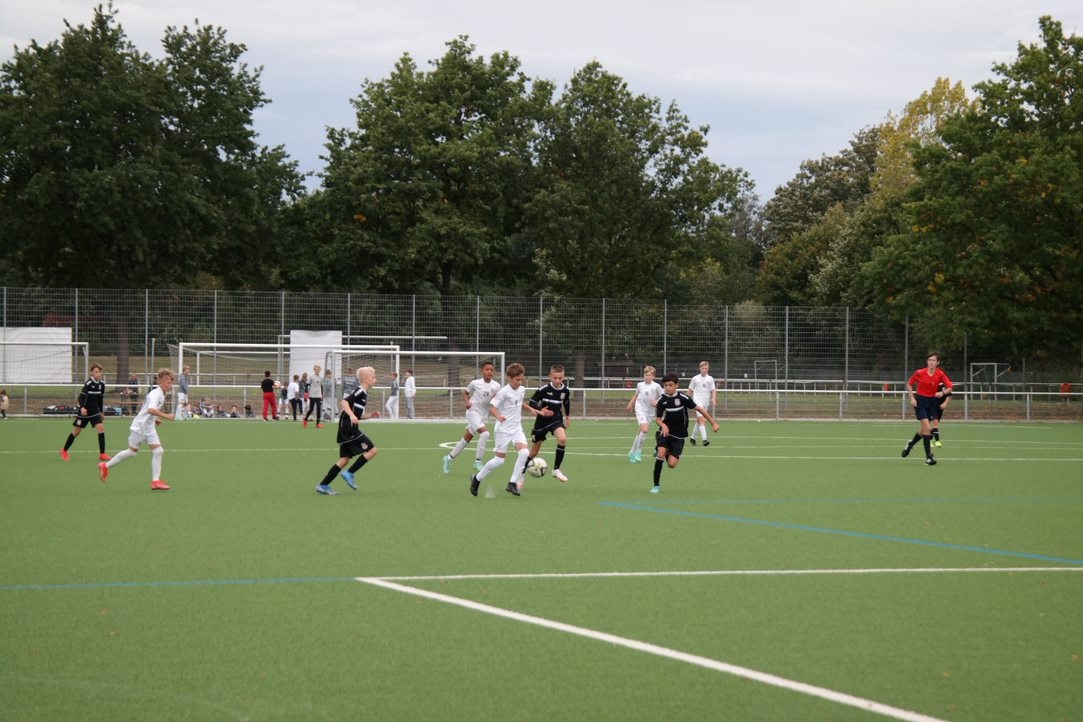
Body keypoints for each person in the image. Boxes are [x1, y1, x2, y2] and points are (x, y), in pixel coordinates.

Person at [469, 362, 546, 497]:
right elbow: (492, 407)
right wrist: (499, 417)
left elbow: (519, 402)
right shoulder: (503, 392)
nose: (520, 382)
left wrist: (533, 409)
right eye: (517, 379)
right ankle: (477, 478)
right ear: (509, 378)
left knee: (524, 453)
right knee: (499, 461)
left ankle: (512, 483)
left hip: (517, 428)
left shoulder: (521, 389)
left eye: (521, 379)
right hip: (503, 430)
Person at [98, 368, 176, 491]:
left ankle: (155, 481)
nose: (170, 385)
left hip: (148, 427)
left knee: (158, 451)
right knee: (131, 452)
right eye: (168, 382)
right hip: (140, 427)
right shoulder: (156, 394)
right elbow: (150, 409)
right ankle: (105, 466)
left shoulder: (161, 393)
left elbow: (148, 410)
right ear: (160, 382)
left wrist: (155, 419)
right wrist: (166, 416)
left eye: (171, 382)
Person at [315, 366, 381, 495]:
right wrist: (351, 416)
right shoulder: (360, 390)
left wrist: (370, 415)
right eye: (373, 377)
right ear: (365, 379)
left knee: (344, 460)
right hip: (348, 428)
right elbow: (344, 402)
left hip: (346, 428)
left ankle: (323, 485)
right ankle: (349, 473)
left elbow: (357, 415)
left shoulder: (364, 393)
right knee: (372, 450)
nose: (375, 379)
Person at [652, 371, 719, 493]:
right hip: (665, 433)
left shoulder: (683, 398)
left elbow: (700, 409)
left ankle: (665, 450)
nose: (668, 387)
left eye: (670, 385)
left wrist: (713, 423)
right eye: (665, 385)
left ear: (676, 385)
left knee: (672, 464)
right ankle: (656, 485)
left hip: (679, 435)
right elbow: (657, 419)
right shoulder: (662, 400)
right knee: (660, 453)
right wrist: (663, 425)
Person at [443, 361, 501, 474]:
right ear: (482, 371)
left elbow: (497, 400)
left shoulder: (496, 386)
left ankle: (448, 458)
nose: (489, 372)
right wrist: (467, 402)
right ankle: (478, 461)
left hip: (483, 415)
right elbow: (466, 393)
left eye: (491, 370)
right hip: (472, 412)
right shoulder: (475, 383)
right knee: (485, 434)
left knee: (467, 438)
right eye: (487, 369)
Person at [902, 352, 953, 466]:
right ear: (927, 361)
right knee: (927, 428)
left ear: (938, 362)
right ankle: (929, 458)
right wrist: (912, 397)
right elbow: (909, 384)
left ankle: (910, 444)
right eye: (929, 360)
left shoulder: (940, 373)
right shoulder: (920, 372)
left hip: (932, 402)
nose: (931, 362)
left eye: (933, 360)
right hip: (920, 401)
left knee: (923, 430)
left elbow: (950, 387)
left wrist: (942, 393)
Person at [524, 364, 572, 482]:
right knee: (534, 452)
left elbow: (566, 403)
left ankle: (556, 470)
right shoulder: (544, 389)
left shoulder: (565, 391)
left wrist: (567, 417)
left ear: (563, 377)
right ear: (550, 377)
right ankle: (521, 473)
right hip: (541, 422)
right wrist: (540, 410)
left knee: (562, 439)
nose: (557, 380)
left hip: (556, 419)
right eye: (555, 378)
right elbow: (532, 401)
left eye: (560, 378)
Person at [60, 363, 110, 461]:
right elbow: (80, 397)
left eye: (99, 372)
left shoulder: (102, 385)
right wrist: (82, 408)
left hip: (95, 411)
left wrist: (101, 412)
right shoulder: (88, 384)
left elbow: (100, 399)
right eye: (96, 372)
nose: (98, 374)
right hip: (85, 412)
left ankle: (102, 454)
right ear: (92, 373)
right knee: (77, 431)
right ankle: (64, 450)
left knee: (101, 428)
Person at [626, 365, 662, 463]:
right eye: (646, 375)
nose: (647, 377)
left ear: (653, 376)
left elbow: (662, 397)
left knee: (641, 432)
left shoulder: (656, 386)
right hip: (640, 408)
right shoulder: (640, 385)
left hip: (650, 411)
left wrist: (657, 401)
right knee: (645, 430)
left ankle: (632, 452)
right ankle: (638, 451)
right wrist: (630, 403)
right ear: (644, 375)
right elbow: (636, 394)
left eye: (650, 375)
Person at [686, 361, 718, 446]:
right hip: (697, 402)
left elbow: (713, 390)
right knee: (702, 420)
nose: (704, 370)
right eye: (703, 368)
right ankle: (705, 439)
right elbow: (690, 390)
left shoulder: (710, 379)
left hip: (705, 402)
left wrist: (713, 399)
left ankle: (693, 438)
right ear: (700, 368)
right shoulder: (695, 378)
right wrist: (686, 400)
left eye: (706, 368)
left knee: (699, 420)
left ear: (708, 369)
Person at [303, 364, 325, 428]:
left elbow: (321, 386)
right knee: (311, 409)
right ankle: (305, 419)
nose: (317, 370)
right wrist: (306, 393)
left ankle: (318, 424)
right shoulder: (311, 377)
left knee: (318, 408)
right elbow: (307, 385)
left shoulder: (321, 378)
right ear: (314, 370)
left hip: (318, 395)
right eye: (316, 369)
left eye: (318, 369)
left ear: (320, 370)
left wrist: (322, 394)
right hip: (312, 395)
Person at [930, 381, 951, 447]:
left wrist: (945, 403)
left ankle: (929, 440)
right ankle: (937, 441)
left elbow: (948, 395)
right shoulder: (931, 383)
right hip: (932, 406)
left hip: (940, 407)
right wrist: (935, 394)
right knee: (935, 422)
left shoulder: (945, 384)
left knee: (934, 424)